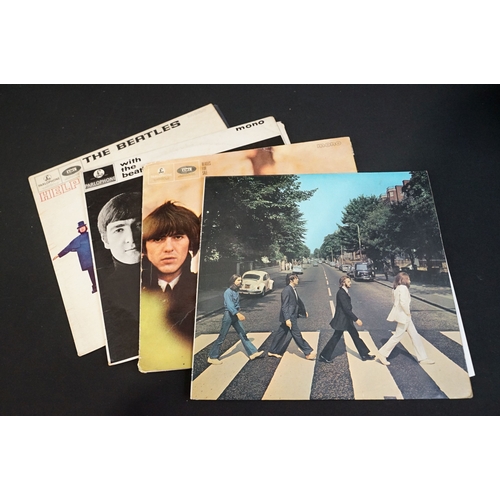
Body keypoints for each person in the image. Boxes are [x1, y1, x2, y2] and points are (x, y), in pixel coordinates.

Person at [141, 201, 200, 341]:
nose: (168, 248)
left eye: (178, 237)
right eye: (158, 239)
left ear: (190, 243)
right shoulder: (131, 289)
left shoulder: (200, 285)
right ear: (145, 247)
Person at [97, 191, 142, 362]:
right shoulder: (101, 291)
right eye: (119, 229)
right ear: (105, 240)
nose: (131, 238)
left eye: (139, 225)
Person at [377, 272, 434, 366]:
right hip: (404, 316)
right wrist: (408, 313)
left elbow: (395, 302)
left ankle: (423, 358)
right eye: (408, 279)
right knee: (397, 336)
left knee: (414, 336)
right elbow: (403, 303)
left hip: (403, 316)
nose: (410, 281)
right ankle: (382, 354)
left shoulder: (396, 288)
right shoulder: (403, 288)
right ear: (403, 280)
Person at [207, 274, 264, 364]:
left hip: (235, 315)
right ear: (233, 281)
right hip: (229, 315)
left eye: (241, 280)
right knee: (222, 336)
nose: (240, 282)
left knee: (243, 334)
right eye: (238, 280)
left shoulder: (236, 291)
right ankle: (212, 357)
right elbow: (229, 305)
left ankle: (253, 353)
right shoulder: (228, 292)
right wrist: (237, 313)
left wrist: (238, 311)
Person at [319, 275, 375, 363]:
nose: (350, 283)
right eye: (348, 282)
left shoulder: (344, 292)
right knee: (336, 337)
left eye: (350, 281)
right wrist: (356, 319)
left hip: (346, 320)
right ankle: (324, 356)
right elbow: (346, 309)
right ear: (343, 283)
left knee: (355, 336)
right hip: (342, 320)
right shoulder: (341, 293)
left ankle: (364, 354)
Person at [268, 273, 316, 360]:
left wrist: (303, 311)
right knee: (297, 334)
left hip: (292, 315)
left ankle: (272, 351)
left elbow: (298, 302)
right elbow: (284, 306)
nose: (298, 279)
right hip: (290, 316)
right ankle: (307, 352)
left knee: (281, 333)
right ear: (291, 280)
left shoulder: (293, 289)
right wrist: (287, 319)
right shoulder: (286, 290)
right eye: (296, 278)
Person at [53, 221, 97, 293]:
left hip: (95, 257)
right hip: (87, 261)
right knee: (91, 274)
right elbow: (68, 248)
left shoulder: (90, 234)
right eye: (80, 228)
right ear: (78, 230)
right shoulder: (77, 240)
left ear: (85, 227)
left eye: (83, 227)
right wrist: (58, 255)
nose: (82, 228)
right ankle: (94, 286)